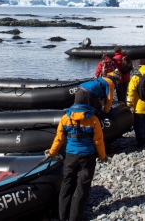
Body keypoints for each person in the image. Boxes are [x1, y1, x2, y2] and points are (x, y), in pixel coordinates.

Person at [45, 88, 107, 221]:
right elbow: (98, 140)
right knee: (82, 187)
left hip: (70, 157)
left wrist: (52, 153)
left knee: (66, 184)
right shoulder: (93, 119)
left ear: (75, 100)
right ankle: (75, 217)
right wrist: (102, 156)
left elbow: (59, 138)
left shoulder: (66, 118)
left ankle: (63, 216)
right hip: (87, 157)